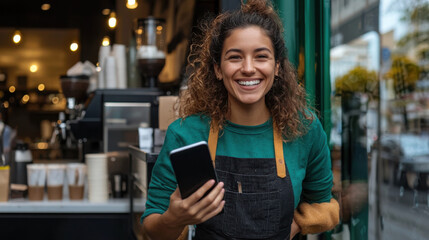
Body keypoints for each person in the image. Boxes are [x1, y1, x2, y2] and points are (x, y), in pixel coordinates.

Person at [142, 0, 340, 239]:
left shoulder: (305, 130)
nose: (248, 68)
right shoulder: (185, 133)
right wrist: (175, 218)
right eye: (235, 57)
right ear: (217, 69)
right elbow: (152, 226)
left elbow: (326, 207)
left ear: (277, 67)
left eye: (261, 56)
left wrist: (296, 224)